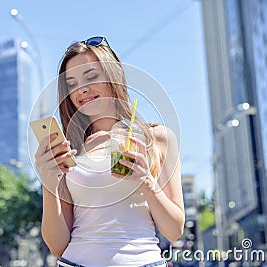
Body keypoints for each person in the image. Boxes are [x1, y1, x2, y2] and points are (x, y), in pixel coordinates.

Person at [35, 36, 184, 267]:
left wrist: (146, 182)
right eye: (72, 84)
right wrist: (48, 183)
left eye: (91, 76)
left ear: (114, 77)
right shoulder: (71, 149)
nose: (82, 90)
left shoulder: (157, 139)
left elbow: (174, 231)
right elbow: (58, 246)